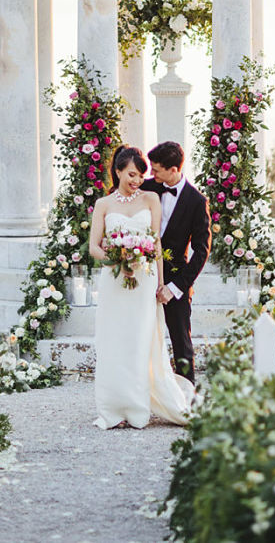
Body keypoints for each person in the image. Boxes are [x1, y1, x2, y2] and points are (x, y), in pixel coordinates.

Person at [89, 145, 194, 429]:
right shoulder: (103, 204)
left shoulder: (151, 199)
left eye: (141, 175)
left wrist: (160, 285)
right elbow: (93, 247)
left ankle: (136, 408)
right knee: (114, 341)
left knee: (139, 341)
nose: (137, 180)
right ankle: (113, 408)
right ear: (119, 170)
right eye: (132, 174)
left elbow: (156, 244)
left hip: (144, 281)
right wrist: (116, 258)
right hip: (114, 281)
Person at [142, 140, 211, 385]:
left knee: (181, 341)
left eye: (156, 169)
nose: (151, 174)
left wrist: (175, 287)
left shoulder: (196, 201)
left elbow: (202, 251)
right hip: (141, 273)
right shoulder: (146, 188)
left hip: (176, 279)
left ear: (173, 170)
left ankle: (187, 400)